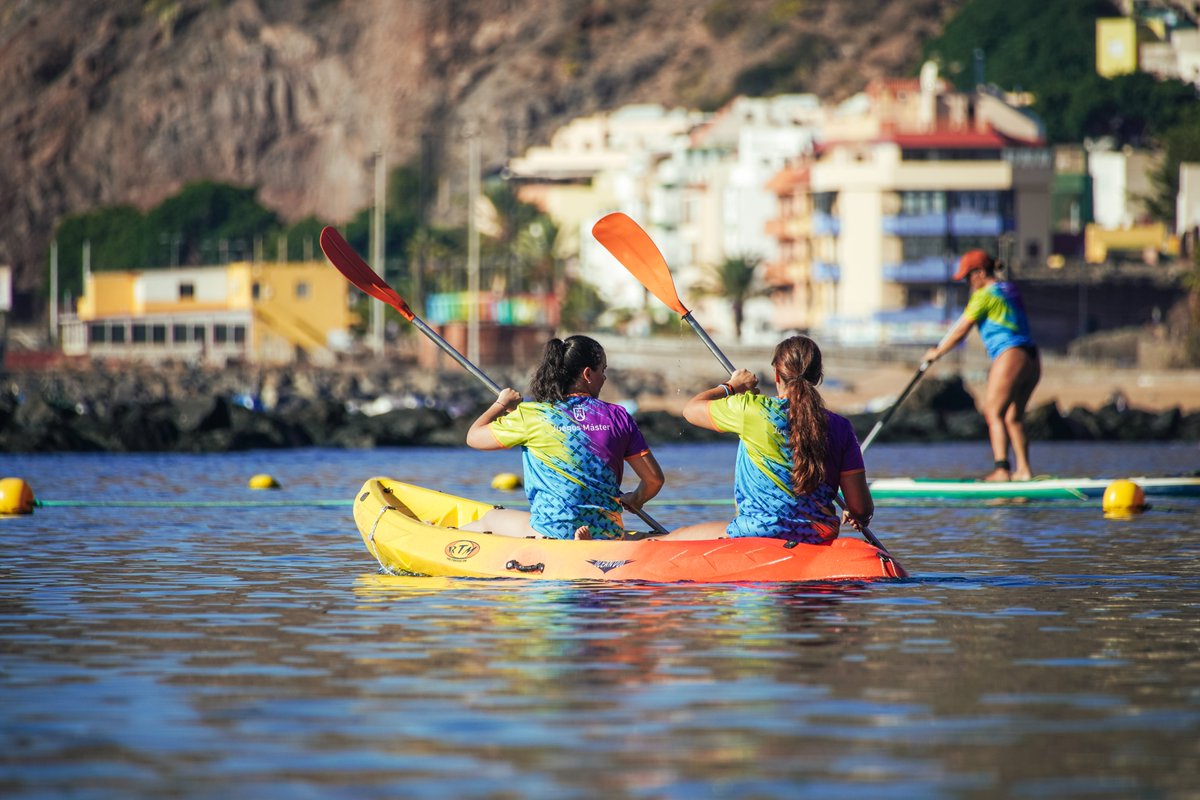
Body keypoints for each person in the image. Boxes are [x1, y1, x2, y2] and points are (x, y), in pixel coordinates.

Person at [662, 334, 873, 542]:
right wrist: (857, 514)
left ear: (777, 375)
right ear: (818, 377)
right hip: (819, 536)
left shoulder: (753, 410)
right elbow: (861, 509)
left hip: (757, 531)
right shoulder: (841, 427)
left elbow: (690, 410)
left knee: (673, 537)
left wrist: (731, 386)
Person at [464, 335, 664, 539]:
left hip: (553, 531)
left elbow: (473, 437)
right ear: (587, 374)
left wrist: (502, 403)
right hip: (609, 531)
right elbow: (654, 480)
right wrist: (636, 499)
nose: (604, 378)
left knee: (491, 518)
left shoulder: (533, 415)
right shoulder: (619, 416)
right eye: (602, 371)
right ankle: (588, 537)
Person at [922, 249, 1041, 482]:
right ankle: (1024, 471)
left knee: (993, 412)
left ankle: (1002, 470)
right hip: (1033, 357)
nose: (968, 283)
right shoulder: (1009, 288)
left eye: (968, 277)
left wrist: (937, 352)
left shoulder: (984, 295)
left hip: (1011, 354)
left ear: (979, 273)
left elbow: (961, 330)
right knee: (1013, 417)